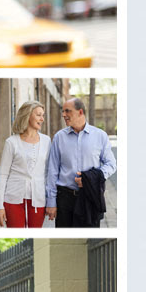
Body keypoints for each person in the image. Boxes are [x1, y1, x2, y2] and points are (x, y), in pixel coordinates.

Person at [45, 97, 116, 227]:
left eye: (68, 111)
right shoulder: (59, 137)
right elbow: (52, 170)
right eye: (63, 111)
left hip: (89, 197)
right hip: (64, 198)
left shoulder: (100, 136)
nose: (63, 115)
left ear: (80, 112)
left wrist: (91, 179)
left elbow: (111, 164)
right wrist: (51, 202)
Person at [0, 100, 52, 228]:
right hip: (13, 197)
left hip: (38, 197)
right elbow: (3, 174)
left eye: (43, 115)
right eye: (38, 115)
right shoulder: (11, 142)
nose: (42, 119)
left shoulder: (46, 141)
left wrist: (51, 201)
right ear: (27, 115)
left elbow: (49, 172)